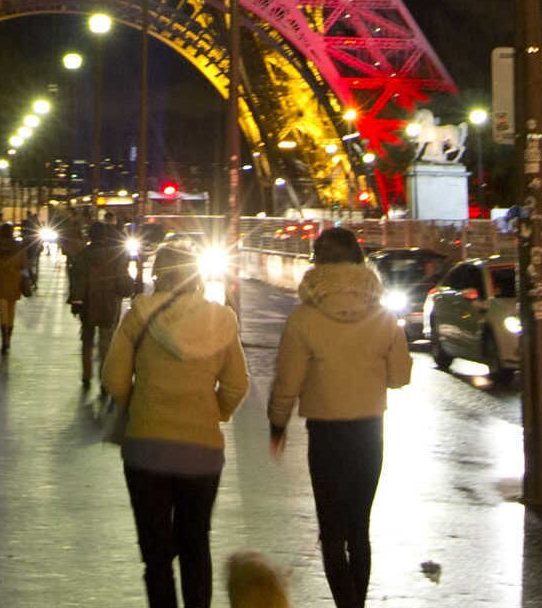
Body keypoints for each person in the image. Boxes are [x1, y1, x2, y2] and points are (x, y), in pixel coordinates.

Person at [267, 227, 411, 608]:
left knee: (331, 532)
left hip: (326, 435)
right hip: (369, 432)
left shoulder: (304, 318)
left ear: (317, 265)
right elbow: (400, 376)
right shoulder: (382, 317)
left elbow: (287, 382)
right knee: (358, 529)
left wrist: (277, 423)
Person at [106, 240, 248, 608]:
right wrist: (213, 412)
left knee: (156, 554)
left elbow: (114, 378)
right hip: (201, 451)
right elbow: (236, 384)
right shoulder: (221, 320)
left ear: (157, 274)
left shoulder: (138, 315)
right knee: (195, 542)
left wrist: (138, 406)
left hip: (146, 447)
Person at [72, 221, 132, 395]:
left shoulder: (83, 255)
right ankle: (105, 380)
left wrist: (76, 301)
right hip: (109, 303)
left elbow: (78, 281)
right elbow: (122, 278)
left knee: (87, 340)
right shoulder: (116, 255)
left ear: (90, 236)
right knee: (107, 341)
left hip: (88, 304)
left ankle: (86, 375)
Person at [0, 223, 30, 360]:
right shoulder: (18, 246)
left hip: (0, 278)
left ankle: (3, 339)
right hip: (14, 279)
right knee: (11, 310)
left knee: (2, 310)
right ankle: (9, 339)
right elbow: (24, 264)